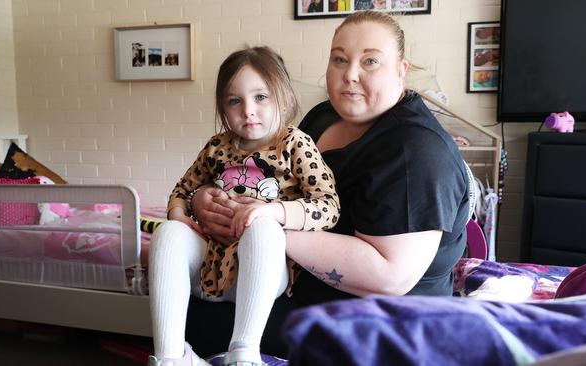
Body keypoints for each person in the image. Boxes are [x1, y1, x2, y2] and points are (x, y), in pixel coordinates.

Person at [188, 10, 471, 357]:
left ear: (401, 69)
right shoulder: (323, 117)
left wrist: (260, 226)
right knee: (191, 298)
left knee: (206, 322)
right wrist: (205, 199)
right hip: (300, 288)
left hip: (377, 325)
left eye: (370, 62)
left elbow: (389, 276)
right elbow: (264, 179)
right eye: (339, 59)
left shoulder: (417, 152)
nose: (350, 75)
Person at [147, 46, 340, 366]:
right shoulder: (216, 147)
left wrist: (272, 212)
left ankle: (244, 354)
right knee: (168, 231)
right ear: (223, 108)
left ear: (287, 99)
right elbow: (182, 189)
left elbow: (329, 205)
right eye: (235, 101)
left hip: (262, 275)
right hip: (209, 268)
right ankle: (172, 357)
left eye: (261, 97)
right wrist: (181, 214)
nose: (248, 110)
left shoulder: (295, 143)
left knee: (261, 225)